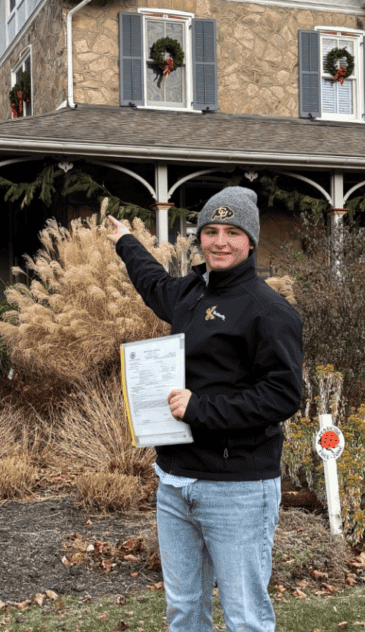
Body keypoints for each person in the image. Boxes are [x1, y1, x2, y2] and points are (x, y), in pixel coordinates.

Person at [105, 186, 303, 632]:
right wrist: (125, 243)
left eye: (232, 232)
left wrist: (202, 407)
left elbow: (283, 395)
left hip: (237, 489)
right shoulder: (191, 292)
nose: (219, 241)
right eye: (211, 231)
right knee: (185, 610)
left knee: (245, 616)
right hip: (174, 481)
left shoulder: (268, 311)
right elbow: (153, 284)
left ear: (250, 240)